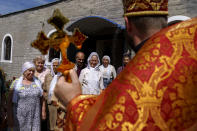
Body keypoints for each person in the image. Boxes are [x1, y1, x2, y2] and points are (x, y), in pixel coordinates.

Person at [54, 0, 197, 130]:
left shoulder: (132, 83)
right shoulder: (191, 45)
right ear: (165, 19)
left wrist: (74, 102)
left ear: (127, 24)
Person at [7, 62, 44, 131]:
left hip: (34, 116)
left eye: (33, 71)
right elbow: (9, 102)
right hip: (19, 117)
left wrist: (43, 111)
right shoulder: (16, 83)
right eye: (29, 70)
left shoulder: (37, 82)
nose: (31, 72)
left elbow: (42, 97)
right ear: (24, 71)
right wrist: (9, 117)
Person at [43, 58, 61, 131]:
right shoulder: (48, 76)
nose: (55, 67)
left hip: (59, 104)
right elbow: (44, 90)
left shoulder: (63, 76)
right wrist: (47, 99)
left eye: (57, 65)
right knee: (50, 124)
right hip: (50, 104)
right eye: (54, 65)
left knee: (59, 124)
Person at [33, 56, 50, 130]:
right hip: (32, 98)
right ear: (34, 63)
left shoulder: (47, 71)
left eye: (42, 63)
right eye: (38, 63)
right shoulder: (31, 70)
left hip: (43, 98)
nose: (40, 64)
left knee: (42, 118)